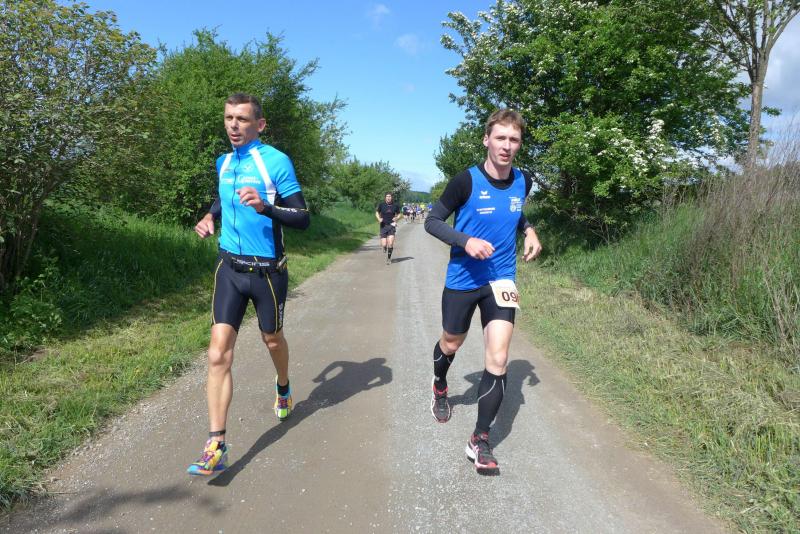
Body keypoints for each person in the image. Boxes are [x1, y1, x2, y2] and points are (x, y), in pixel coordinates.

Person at [188, 93, 310, 476]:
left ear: (260, 124)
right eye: (229, 118)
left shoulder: (275, 161)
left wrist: (265, 207)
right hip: (229, 267)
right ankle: (216, 444)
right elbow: (222, 198)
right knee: (217, 354)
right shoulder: (224, 163)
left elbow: (302, 217)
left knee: (272, 339)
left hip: (267, 272)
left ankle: (283, 385)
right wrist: (210, 217)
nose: (233, 125)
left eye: (242, 119)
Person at [424, 109, 542, 475]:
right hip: (463, 279)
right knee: (451, 342)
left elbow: (516, 212)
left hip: (502, 280)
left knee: (499, 358)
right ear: (486, 140)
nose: (507, 146)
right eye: (500, 138)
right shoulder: (465, 181)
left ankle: (480, 439)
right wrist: (465, 240)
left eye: (514, 140)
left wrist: (530, 230)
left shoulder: (524, 179)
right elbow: (432, 221)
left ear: (519, 144)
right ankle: (440, 384)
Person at [375, 192, 401, 265]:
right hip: (383, 226)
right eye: (387, 196)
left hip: (391, 225)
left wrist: (396, 218)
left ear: (392, 197)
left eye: (390, 196)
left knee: (391, 243)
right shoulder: (382, 205)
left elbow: (399, 214)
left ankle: (389, 258)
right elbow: (377, 212)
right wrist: (379, 219)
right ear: (385, 198)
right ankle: (384, 247)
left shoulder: (395, 205)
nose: (388, 198)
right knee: (384, 244)